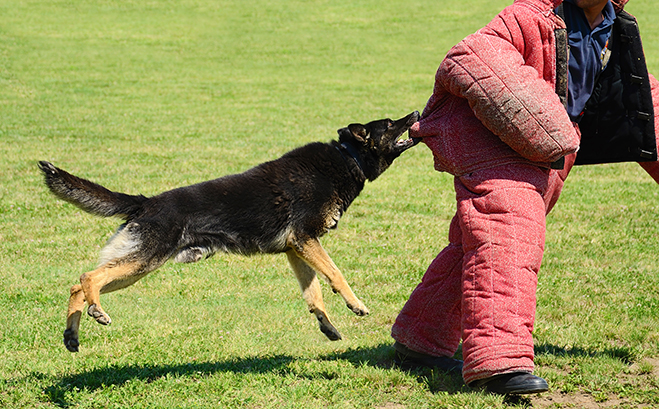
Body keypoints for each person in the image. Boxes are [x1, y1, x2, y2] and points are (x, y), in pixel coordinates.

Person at [391, 0, 659, 395]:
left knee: (474, 244)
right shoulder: (530, 14)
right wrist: (536, 120)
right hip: (496, 143)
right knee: (509, 237)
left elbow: (633, 91)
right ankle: (498, 363)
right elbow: (473, 53)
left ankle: (420, 339)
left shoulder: (613, 24)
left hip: (547, 152)